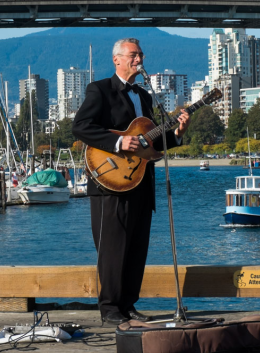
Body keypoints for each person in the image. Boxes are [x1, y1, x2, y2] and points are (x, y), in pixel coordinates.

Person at [72, 38, 190, 325]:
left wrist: (177, 134)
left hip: (140, 182)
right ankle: (110, 309)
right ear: (117, 59)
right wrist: (118, 142)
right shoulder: (99, 89)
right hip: (109, 182)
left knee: (137, 248)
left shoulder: (145, 97)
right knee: (112, 248)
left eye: (141, 54)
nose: (140, 59)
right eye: (134, 55)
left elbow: (150, 143)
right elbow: (81, 127)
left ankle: (128, 305)